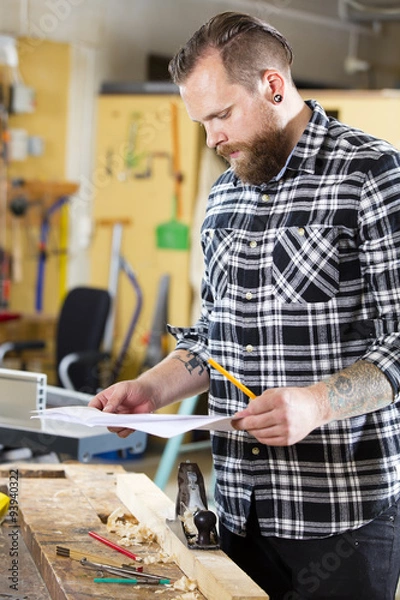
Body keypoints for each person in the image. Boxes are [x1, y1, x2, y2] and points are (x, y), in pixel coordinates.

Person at [89, 11, 400, 599]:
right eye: (202, 122)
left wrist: (317, 403)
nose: (212, 138)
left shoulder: (371, 174)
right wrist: (151, 389)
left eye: (222, 115)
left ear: (273, 86)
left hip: (341, 521)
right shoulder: (225, 195)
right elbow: (215, 336)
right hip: (236, 511)